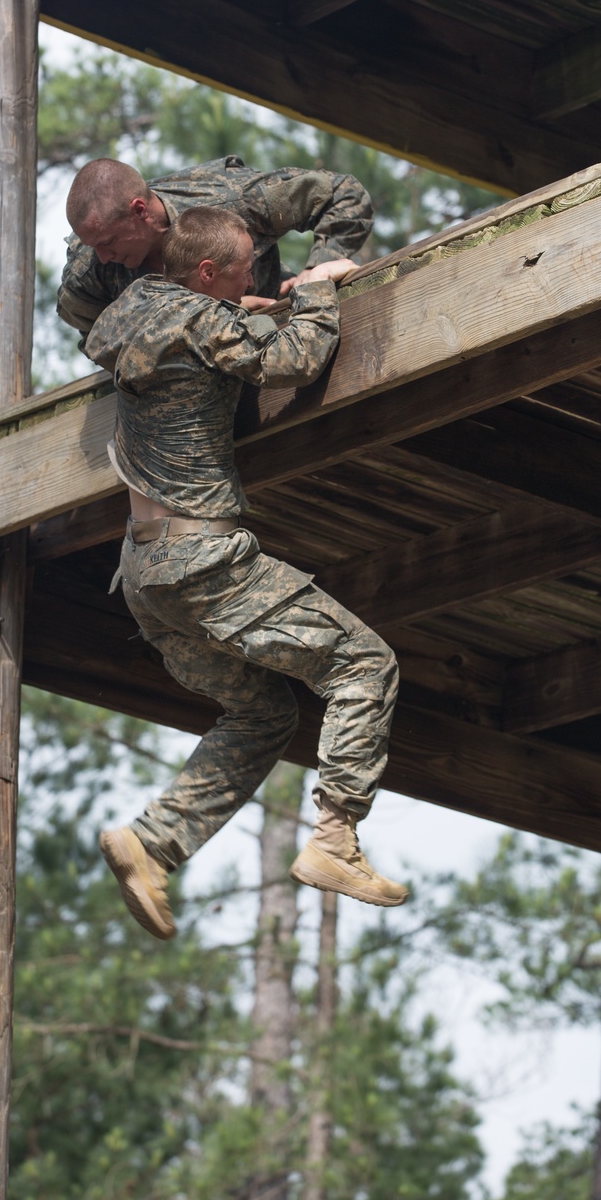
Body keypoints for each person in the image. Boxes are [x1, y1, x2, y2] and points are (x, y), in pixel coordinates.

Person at [84, 205, 406, 940]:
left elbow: (194, 331)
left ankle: (154, 841)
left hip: (143, 572)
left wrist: (242, 310)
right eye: (239, 271)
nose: (251, 277)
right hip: (202, 560)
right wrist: (318, 290)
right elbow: (292, 361)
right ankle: (334, 841)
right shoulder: (202, 323)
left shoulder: (137, 307)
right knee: (363, 664)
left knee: (265, 713)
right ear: (205, 275)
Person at [58, 153, 374, 346]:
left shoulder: (232, 200)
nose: (102, 256)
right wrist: (222, 318)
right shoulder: (88, 274)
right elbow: (98, 338)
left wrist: (317, 270)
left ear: (139, 210)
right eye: (93, 246)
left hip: (276, 327)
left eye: (108, 242)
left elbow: (343, 195)